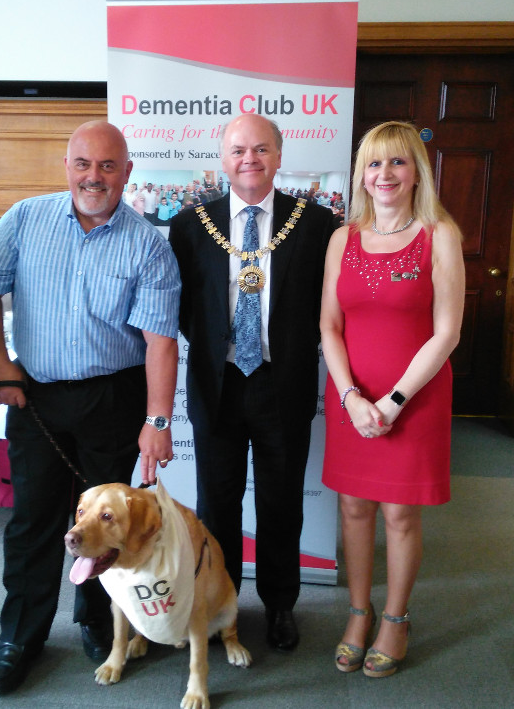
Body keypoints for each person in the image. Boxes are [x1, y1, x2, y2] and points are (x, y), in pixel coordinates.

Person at [0, 120, 181, 695]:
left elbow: (161, 340)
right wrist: (0, 368)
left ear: (128, 173)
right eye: (84, 164)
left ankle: (95, 622)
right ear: (67, 167)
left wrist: (157, 420)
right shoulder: (25, 220)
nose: (95, 177)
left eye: (108, 166)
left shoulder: (147, 244)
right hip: (35, 394)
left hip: (113, 398)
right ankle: (21, 637)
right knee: (34, 519)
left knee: (106, 527)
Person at [168, 113, 334, 653]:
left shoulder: (314, 225)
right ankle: (221, 605)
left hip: (281, 385)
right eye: (238, 150)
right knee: (217, 502)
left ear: (279, 157)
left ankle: (281, 605)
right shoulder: (191, 225)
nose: (250, 160)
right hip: (217, 386)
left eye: (261, 149)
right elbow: (185, 310)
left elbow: (322, 306)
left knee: (282, 501)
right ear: (223, 157)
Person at [320, 120, 464, 677]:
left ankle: (395, 619)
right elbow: (329, 327)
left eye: (398, 162)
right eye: (375, 163)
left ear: (415, 173)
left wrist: (394, 401)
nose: (385, 174)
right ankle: (359, 612)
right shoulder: (343, 238)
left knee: (401, 514)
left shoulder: (440, 234)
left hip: (416, 396)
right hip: (351, 398)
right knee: (354, 507)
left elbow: (446, 332)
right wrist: (354, 397)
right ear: (362, 174)